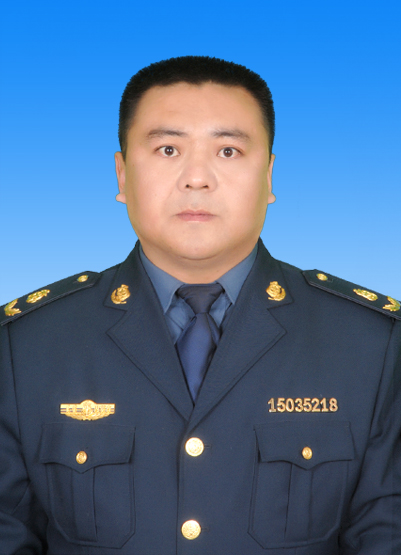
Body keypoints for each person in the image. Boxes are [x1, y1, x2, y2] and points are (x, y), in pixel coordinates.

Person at [0, 56, 400, 555]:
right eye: (168, 149)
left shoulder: (372, 345)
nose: (197, 178)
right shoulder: (24, 346)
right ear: (122, 174)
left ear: (269, 175)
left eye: (228, 151)